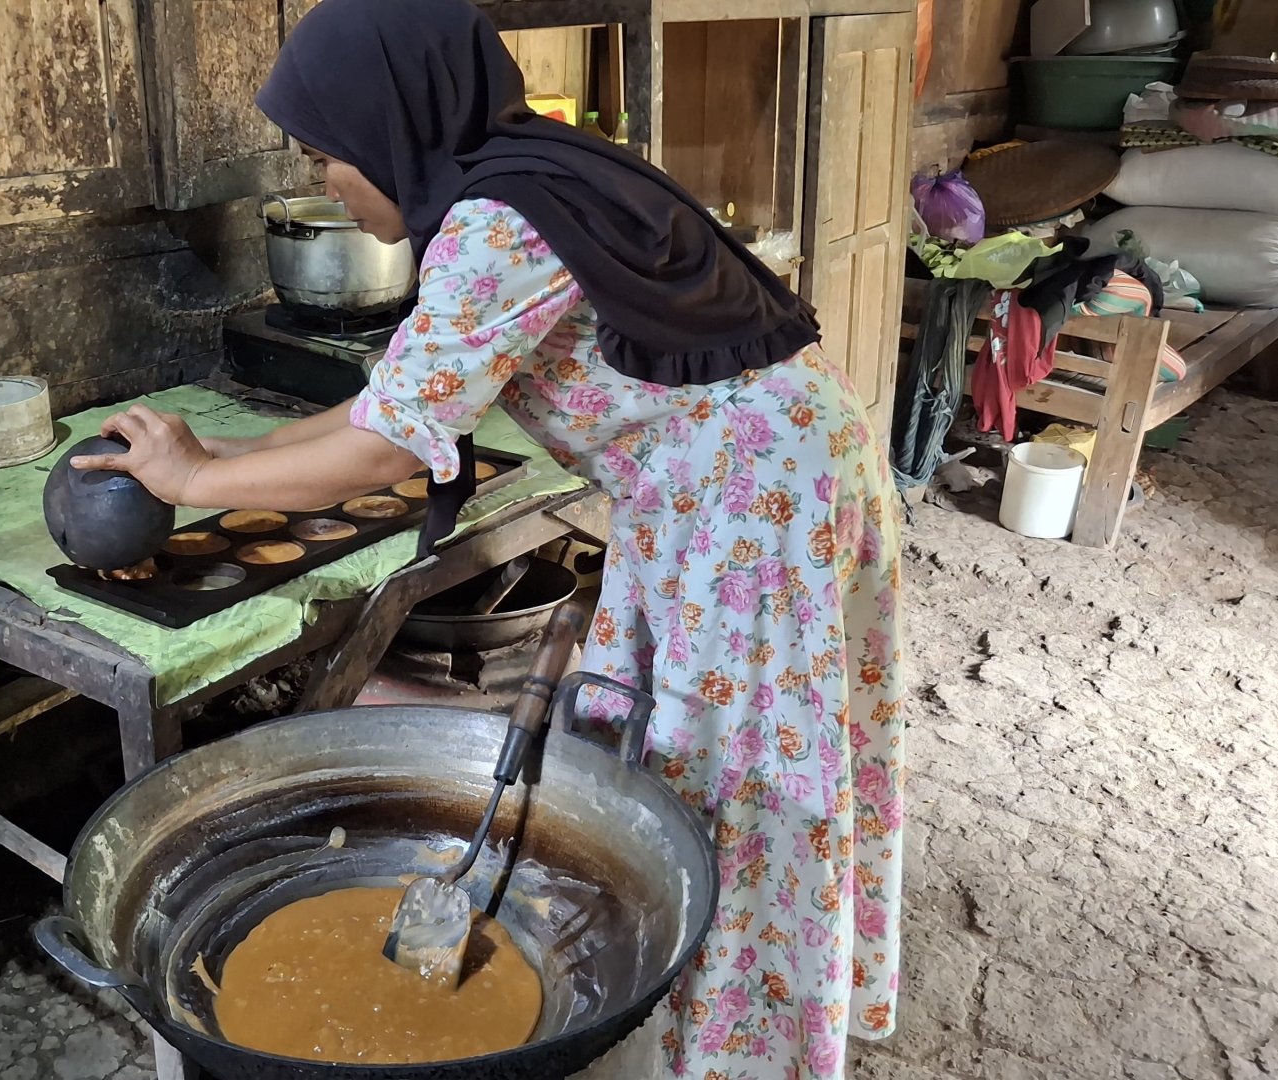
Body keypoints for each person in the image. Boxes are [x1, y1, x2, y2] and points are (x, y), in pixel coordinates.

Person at [69, 0, 905, 1075]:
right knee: (688, 759)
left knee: (737, 781)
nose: (326, 180)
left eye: (329, 154)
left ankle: (754, 1051)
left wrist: (190, 481)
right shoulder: (533, 169)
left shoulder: (497, 222)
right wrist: (217, 459)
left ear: (389, 126)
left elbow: (388, 449)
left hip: (747, 513)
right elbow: (394, 402)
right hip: (762, 477)